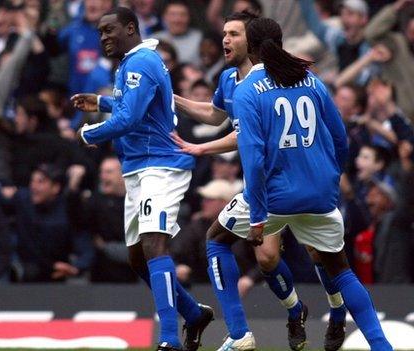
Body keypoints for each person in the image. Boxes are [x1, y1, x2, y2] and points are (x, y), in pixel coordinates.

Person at [172, 11, 348, 351]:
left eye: (234, 34)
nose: (226, 40)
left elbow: (251, 137)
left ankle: (338, 310)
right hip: (260, 180)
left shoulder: (276, 78)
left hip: (292, 176)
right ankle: (295, 310)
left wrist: (202, 148)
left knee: (316, 251)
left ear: (251, 41)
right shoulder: (228, 80)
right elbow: (215, 115)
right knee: (266, 258)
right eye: (224, 33)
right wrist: (173, 98)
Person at [232, 17, 392, 351]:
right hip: (319, 193)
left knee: (216, 240)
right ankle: (380, 345)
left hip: (274, 199)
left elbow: (253, 158)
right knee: (341, 269)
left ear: (251, 47)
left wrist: (258, 215)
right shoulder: (310, 80)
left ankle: (236, 331)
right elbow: (340, 138)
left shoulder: (246, 89)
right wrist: (332, 179)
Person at [70, 7, 213, 351]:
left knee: (153, 245)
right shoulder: (132, 63)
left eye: (109, 30)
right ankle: (193, 314)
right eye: (100, 32)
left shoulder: (141, 61)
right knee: (138, 259)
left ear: (130, 29)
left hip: (160, 165)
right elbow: (136, 105)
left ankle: (167, 339)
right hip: (138, 167)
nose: (103, 37)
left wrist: (89, 133)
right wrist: (103, 102)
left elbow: (131, 118)